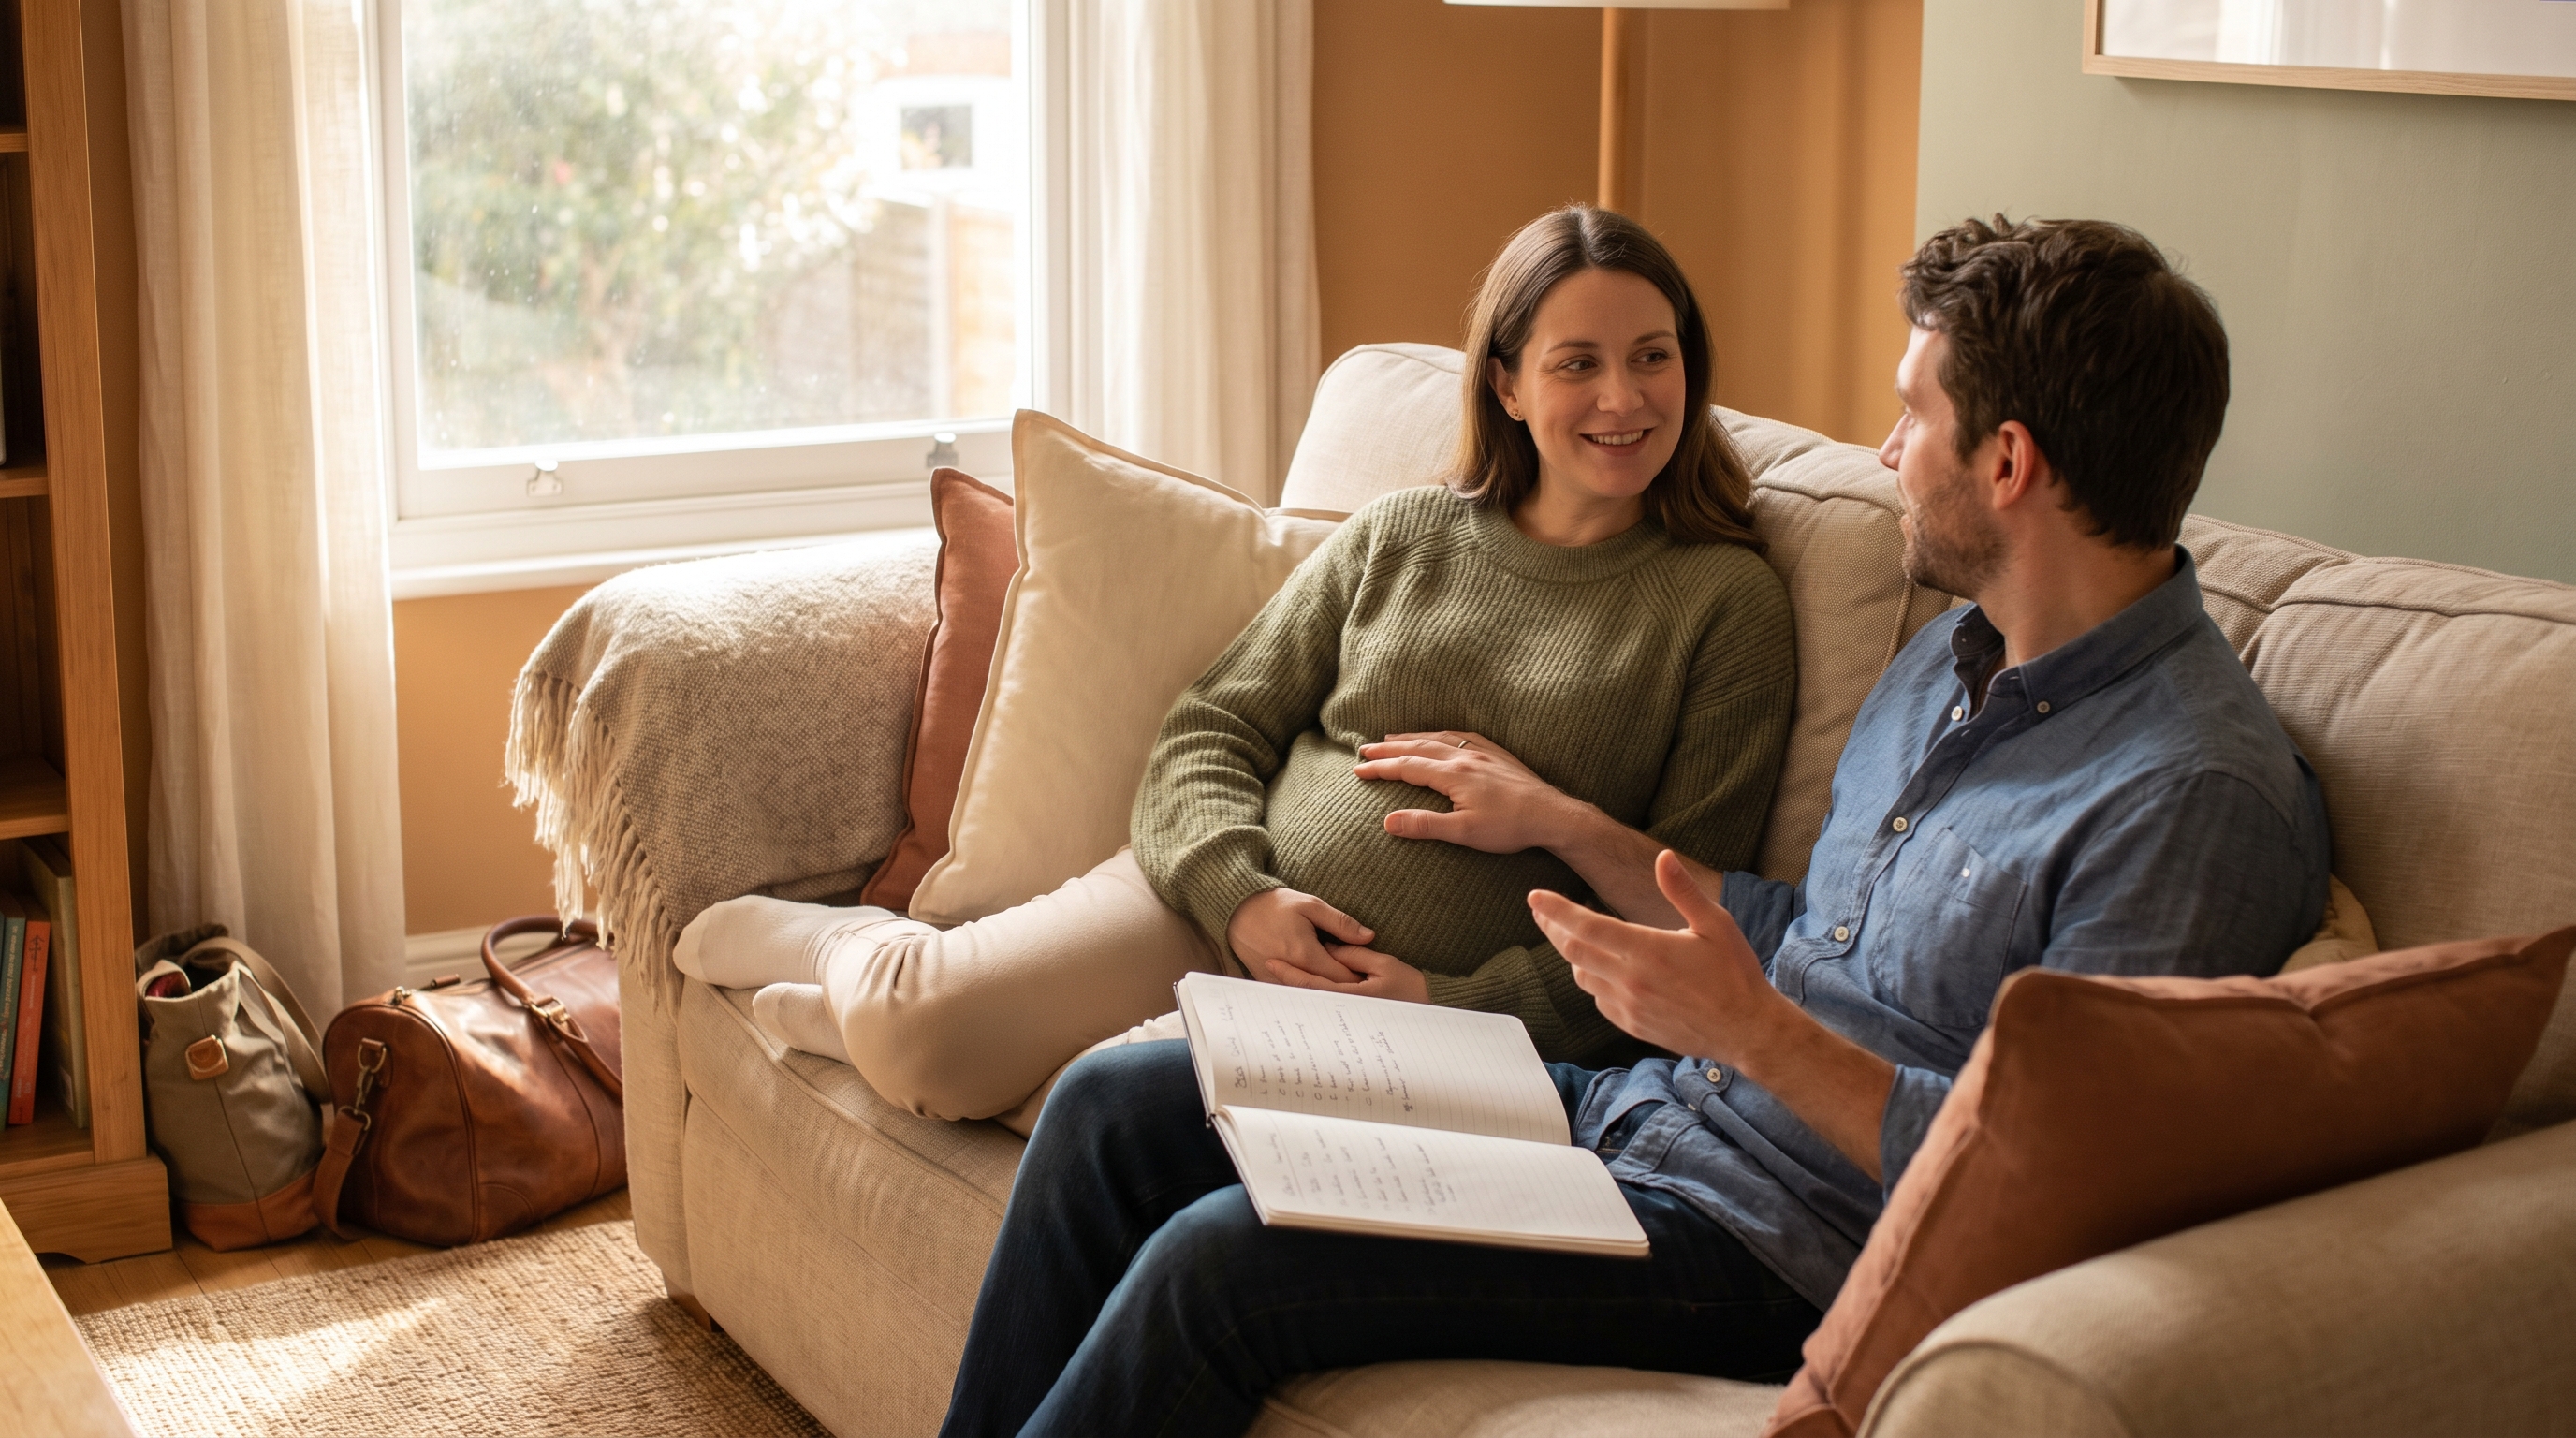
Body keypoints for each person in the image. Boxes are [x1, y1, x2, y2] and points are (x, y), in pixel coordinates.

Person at [935, 215, 2333, 1438]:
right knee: (1114, 1110)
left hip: (1774, 1245)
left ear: (2011, 461)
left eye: (1915, 416)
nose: (1888, 451)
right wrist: (1587, 843)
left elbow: (2054, 1184)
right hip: (1640, 1113)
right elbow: (1810, 930)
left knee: (1222, 1267)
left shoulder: (2189, 799)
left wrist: (1753, 1032)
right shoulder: (1957, 662)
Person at [672, 204, 1798, 1126]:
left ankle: (878, 1007)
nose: (1623, 398)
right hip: (1212, 904)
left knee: (1077, 1116)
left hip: (1399, 1020)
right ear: (1506, 383)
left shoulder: (1723, 602)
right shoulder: (1406, 534)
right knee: (929, 1038)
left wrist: (1451, 1001)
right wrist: (1240, 893)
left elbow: (1690, 922)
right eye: (1578, 364)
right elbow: (1213, 725)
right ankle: (857, 953)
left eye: (1654, 358)